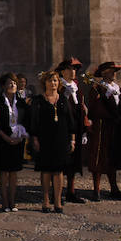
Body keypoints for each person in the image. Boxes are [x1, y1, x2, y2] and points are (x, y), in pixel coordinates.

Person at [31, 70, 76, 213]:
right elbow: (34, 122)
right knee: (46, 171)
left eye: (56, 80)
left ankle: (57, 200)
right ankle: (45, 200)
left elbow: (70, 120)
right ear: (45, 83)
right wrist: (35, 138)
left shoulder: (63, 99)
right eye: (50, 80)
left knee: (58, 171)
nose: (53, 83)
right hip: (45, 139)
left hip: (61, 139)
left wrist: (73, 139)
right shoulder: (39, 100)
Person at [86, 61, 121, 201]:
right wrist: (104, 96)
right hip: (102, 126)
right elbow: (94, 108)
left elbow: (120, 109)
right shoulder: (97, 88)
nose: (115, 74)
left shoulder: (119, 89)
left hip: (115, 127)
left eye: (115, 71)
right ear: (104, 73)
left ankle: (114, 188)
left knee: (113, 157)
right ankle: (96, 190)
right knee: (99, 156)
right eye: (112, 71)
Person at [57, 57, 89, 204]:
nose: (73, 71)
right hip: (63, 128)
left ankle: (71, 191)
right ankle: (56, 193)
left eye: (75, 69)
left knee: (74, 162)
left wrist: (84, 128)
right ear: (63, 71)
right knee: (61, 163)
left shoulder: (77, 87)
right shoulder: (59, 86)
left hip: (76, 127)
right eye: (70, 68)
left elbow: (80, 108)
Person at [0, 73, 29, 212]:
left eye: (14, 83)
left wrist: (21, 138)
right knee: (4, 171)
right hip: (4, 140)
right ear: (3, 85)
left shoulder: (21, 102)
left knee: (14, 172)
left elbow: (25, 121)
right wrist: (6, 138)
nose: (12, 85)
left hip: (18, 140)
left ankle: (12, 201)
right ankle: (4, 201)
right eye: (9, 83)